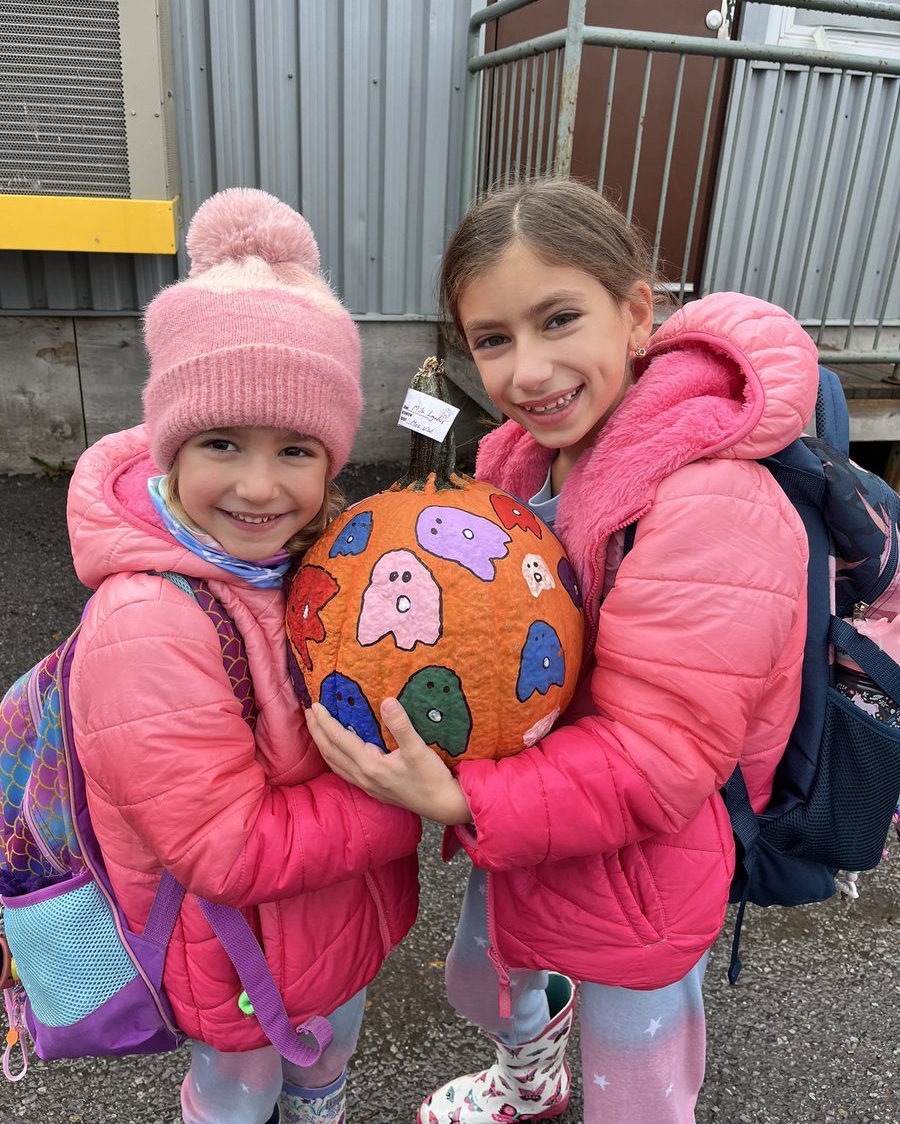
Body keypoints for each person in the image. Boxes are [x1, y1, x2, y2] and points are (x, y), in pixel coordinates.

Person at [306, 177, 820, 1124]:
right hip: (533, 812)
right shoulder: (514, 465)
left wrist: (464, 799)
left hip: (644, 855)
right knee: (488, 974)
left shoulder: (713, 505)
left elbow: (660, 758)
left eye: (558, 320)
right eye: (494, 339)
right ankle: (531, 1084)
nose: (530, 370)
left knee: (637, 1070)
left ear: (636, 314)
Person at [65, 188, 421, 1124]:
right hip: (231, 953)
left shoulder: (322, 566)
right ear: (171, 448)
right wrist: (406, 801)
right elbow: (225, 845)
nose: (260, 487)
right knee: (239, 1092)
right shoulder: (146, 622)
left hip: (334, 926)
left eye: (296, 450)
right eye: (222, 442)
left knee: (325, 1064)